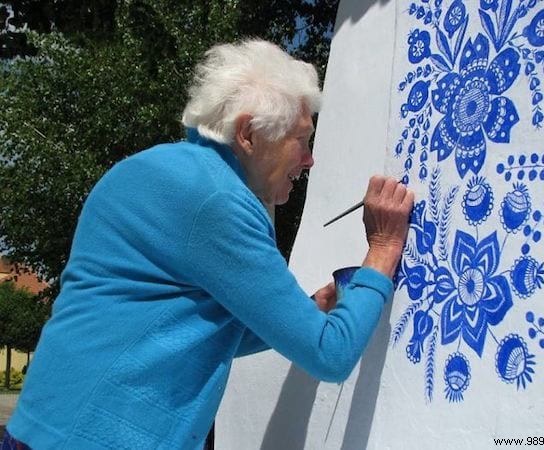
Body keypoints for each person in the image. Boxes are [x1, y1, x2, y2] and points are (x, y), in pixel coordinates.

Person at [4, 39, 414, 449]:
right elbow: (330, 354)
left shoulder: (155, 169)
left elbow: (192, 328)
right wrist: (381, 248)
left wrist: (303, 313)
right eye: (302, 140)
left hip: (41, 429)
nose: (309, 160)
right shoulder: (216, 200)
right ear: (249, 133)